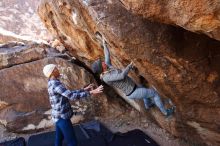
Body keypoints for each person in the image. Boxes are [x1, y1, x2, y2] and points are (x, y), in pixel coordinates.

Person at [91, 33, 174, 117]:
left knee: (143, 90)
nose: (102, 62)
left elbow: (107, 55)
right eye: (101, 63)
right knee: (154, 94)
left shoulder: (107, 66)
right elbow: (122, 76)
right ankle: (166, 113)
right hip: (133, 92)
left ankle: (148, 105)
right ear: (102, 68)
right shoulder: (106, 78)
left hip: (134, 87)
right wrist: (130, 65)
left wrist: (104, 43)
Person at [43, 64, 103, 146]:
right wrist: (91, 92)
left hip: (57, 116)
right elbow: (71, 96)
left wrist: (84, 89)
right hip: (62, 117)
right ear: (52, 72)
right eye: (56, 68)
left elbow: (68, 93)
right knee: (72, 142)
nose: (58, 69)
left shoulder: (51, 82)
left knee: (59, 137)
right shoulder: (55, 84)